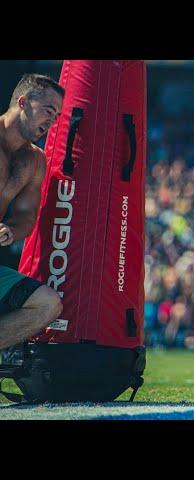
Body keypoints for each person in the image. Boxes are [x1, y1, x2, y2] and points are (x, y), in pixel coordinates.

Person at [0, 74, 65, 350]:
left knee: (48, 304)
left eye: (57, 115)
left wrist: (12, 230)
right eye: (48, 111)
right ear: (23, 102)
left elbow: (27, 215)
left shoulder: (35, 160)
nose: (52, 121)